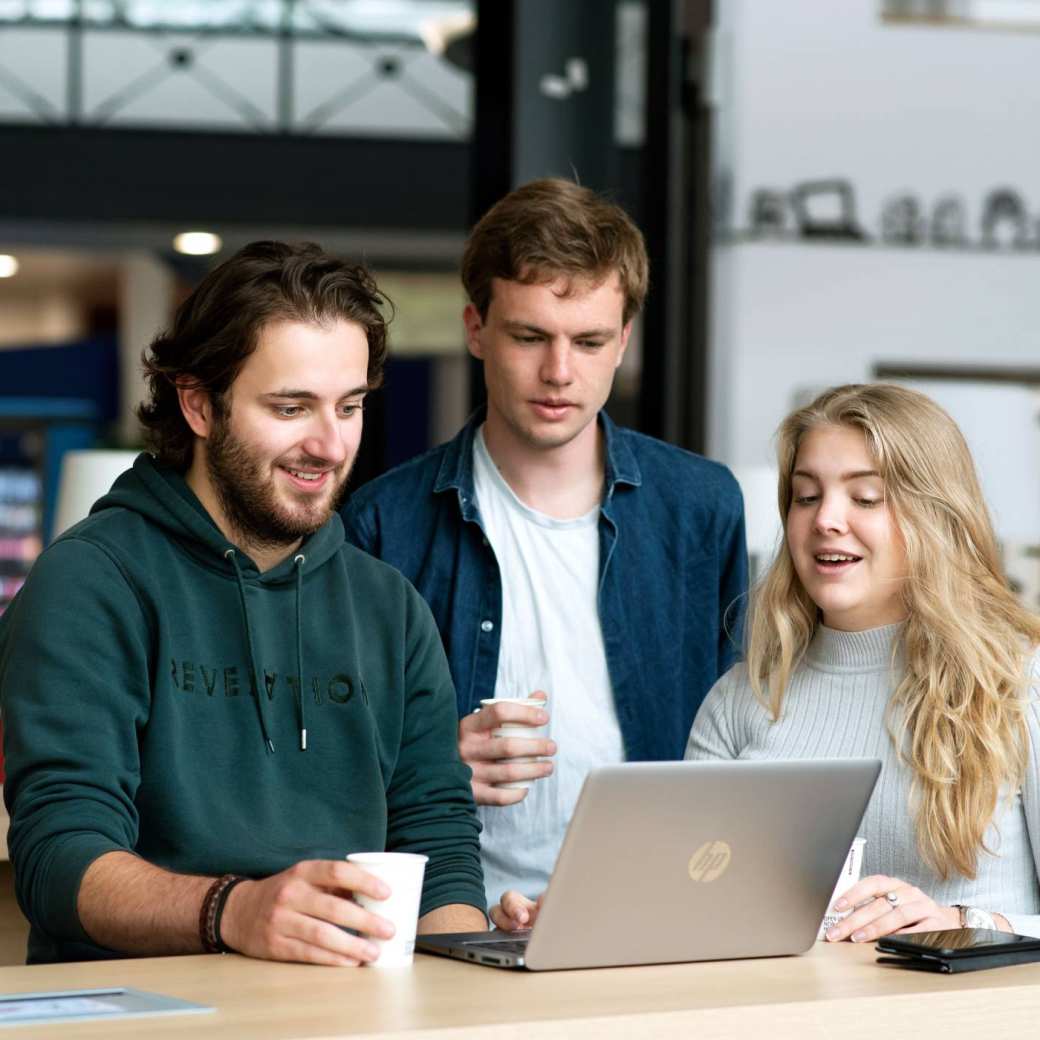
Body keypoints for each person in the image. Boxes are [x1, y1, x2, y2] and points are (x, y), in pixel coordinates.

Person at [0, 241, 486, 965]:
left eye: (349, 406)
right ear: (198, 403)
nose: (328, 444)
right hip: (144, 1017)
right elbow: (60, 855)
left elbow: (439, 847)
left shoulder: (389, 606)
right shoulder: (91, 581)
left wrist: (478, 976)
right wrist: (232, 910)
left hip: (347, 1015)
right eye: (291, 408)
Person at [497, 382, 1040, 934]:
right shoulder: (741, 700)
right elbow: (688, 912)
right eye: (806, 496)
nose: (826, 518)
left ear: (936, 517)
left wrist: (962, 923)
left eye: (865, 497)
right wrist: (578, 919)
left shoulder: (1021, 682)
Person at [342, 179, 748, 908]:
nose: (560, 372)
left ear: (623, 340)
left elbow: (745, 732)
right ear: (476, 330)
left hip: (662, 911)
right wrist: (430, 765)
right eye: (530, 336)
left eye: (589, 341)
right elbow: (331, 765)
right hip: (453, 921)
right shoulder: (380, 523)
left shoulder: (701, 505)